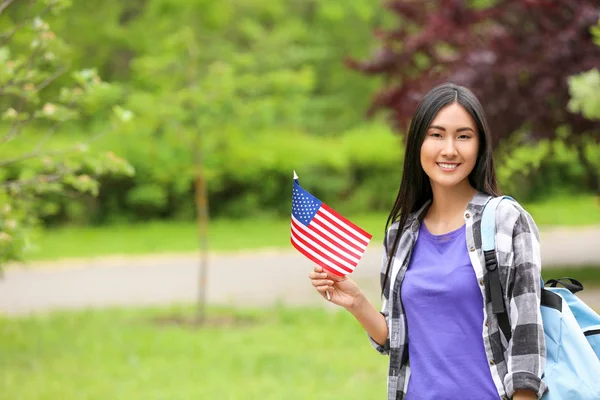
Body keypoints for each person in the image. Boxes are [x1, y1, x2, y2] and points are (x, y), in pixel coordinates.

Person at [308, 83, 547, 400]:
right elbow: (395, 342)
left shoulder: (507, 222)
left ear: (480, 146)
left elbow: (527, 335)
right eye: (436, 135)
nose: (450, 149)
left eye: (463, 136)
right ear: (418, 143)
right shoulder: (400, 234)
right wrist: (355, 303)